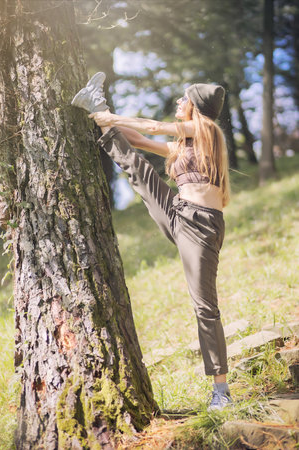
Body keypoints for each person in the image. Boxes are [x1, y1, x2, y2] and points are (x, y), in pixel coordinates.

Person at [72, 73, 233, 411]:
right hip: (179, 211)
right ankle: (94, 101)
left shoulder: (208, 132)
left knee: (204, 305)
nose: (178, 103)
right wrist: (103, 118)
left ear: (195, 107)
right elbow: (139, 138)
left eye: (183, 98)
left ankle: (222, 390)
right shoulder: (182, 145)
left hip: (201, 226)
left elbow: (154, 127)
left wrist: (112, 118)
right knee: (137, 168)